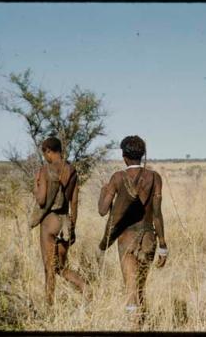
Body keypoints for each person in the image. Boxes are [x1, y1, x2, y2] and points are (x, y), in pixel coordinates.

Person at [97, 135, 168, 327]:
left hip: (126, 238)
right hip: (148, 238)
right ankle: (142, 324)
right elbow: (157, 214)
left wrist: (105, 191)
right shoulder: (154, 177)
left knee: (130, 290)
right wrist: (163, 246)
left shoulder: (118, 178)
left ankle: (134, 326)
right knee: (140, 288)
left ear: (124, 156)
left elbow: (103, 210)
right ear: (142, 154)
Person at [30, 137, 88, 305]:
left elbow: (41, 201)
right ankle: (83, 286)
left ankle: (50, 307)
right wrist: (73, 226)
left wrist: (35, 186)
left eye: (45, 153)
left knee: (49, 268)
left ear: (48, 151)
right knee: (60, 267)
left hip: (49, 222)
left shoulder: (44, 170)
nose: (45, 157)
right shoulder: (72, 170)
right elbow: (74, 202)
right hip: (65, 222)